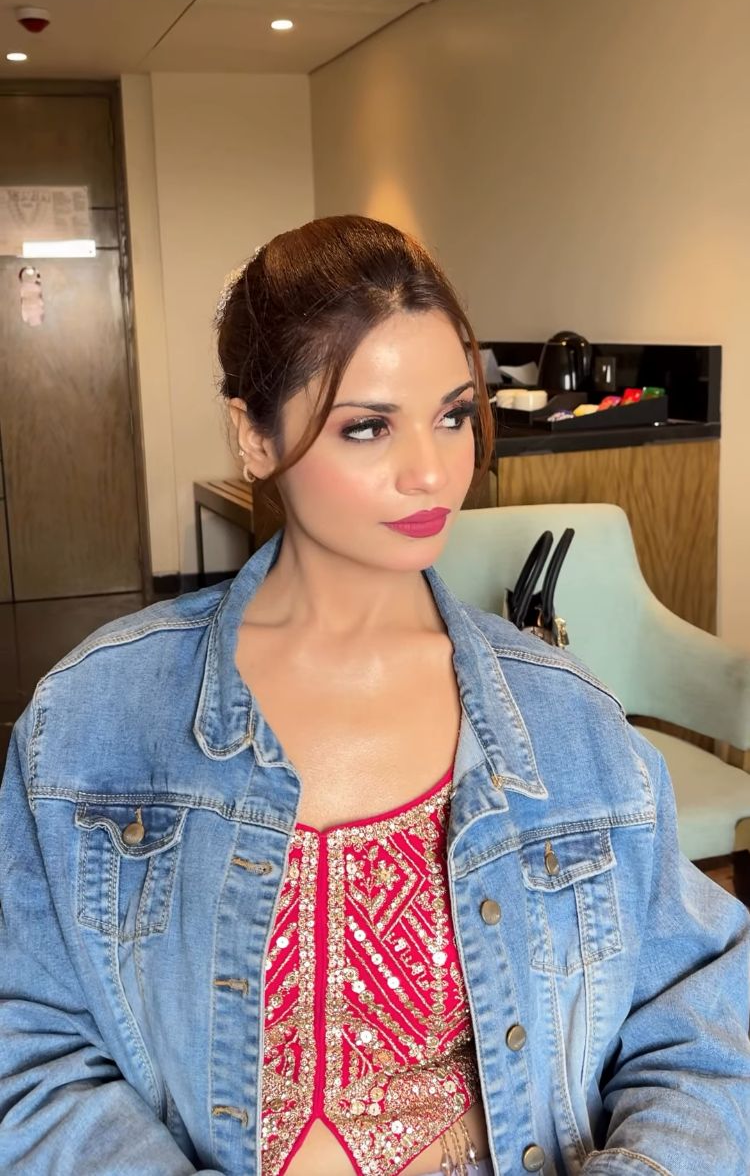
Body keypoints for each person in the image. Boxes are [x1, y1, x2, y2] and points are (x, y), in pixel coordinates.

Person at [0, 214, 748, 1176]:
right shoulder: (94, 720)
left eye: (453, 415)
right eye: (367, 427)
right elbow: (27, 1047)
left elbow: (705, 1025)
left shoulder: (567, 723)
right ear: (253, 435)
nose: (433, 470)